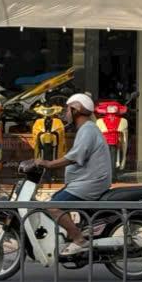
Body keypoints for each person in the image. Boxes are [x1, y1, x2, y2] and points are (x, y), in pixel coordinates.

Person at [32, 93, 111, 257]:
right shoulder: (87, 129)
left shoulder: (88, 129)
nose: (66, 114)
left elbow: (75, 156)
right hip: (85, 182)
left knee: (52, 206)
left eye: (68, 110)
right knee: (57, 199)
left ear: (76, 110)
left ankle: (79, 240)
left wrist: (49, 164)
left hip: (90, 183)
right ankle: (71, 234)